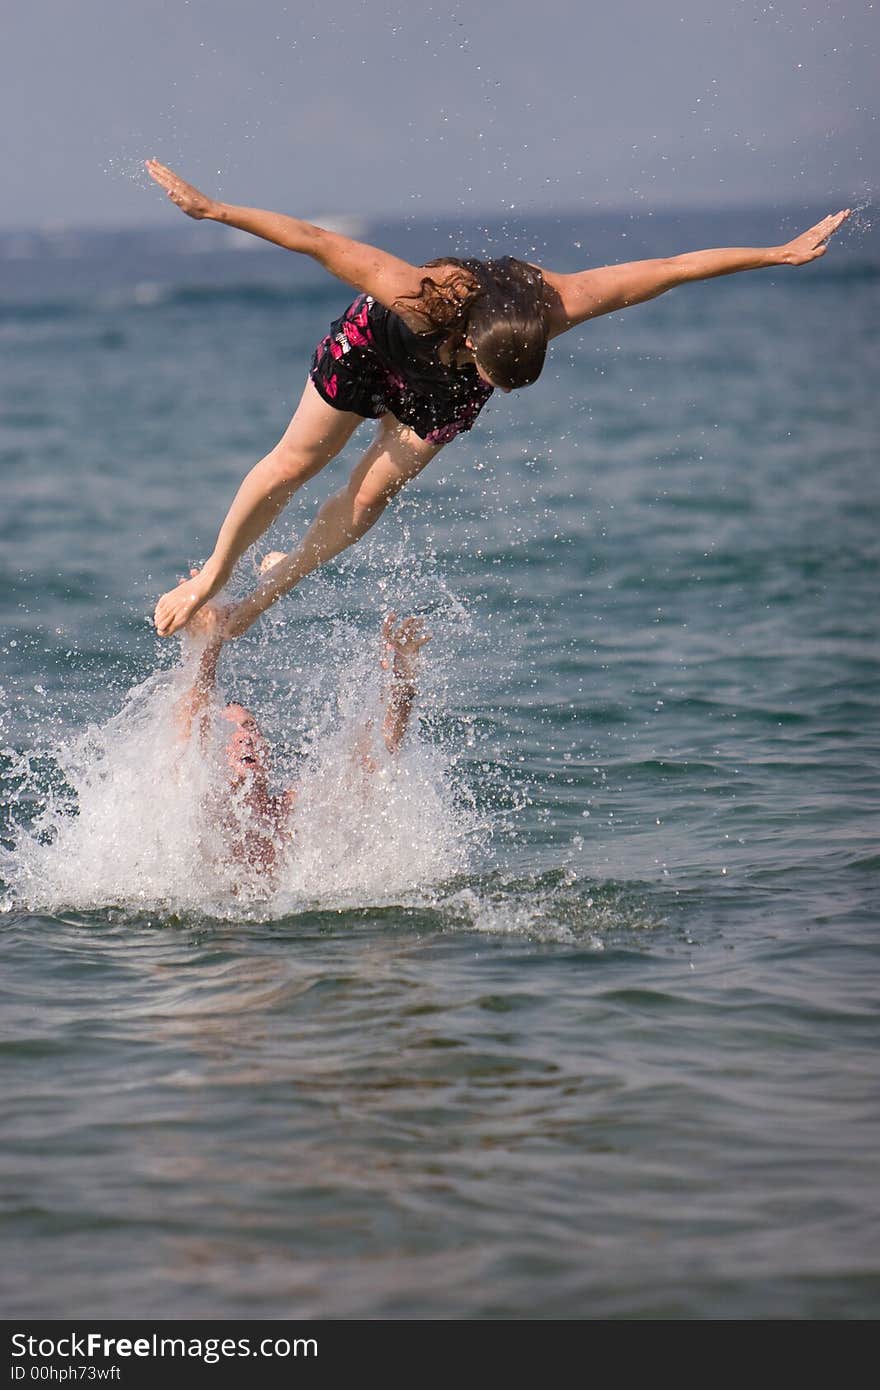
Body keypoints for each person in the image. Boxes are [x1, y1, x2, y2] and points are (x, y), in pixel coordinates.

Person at [146, 159, 851, 643]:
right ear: (470, 337)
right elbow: (315, 240)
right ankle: (214, 576)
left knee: (365, 501)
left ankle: (258, 601)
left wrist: (776, 254)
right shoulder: (418, 296)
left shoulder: (559, 306)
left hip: (438, 387)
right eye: (486, 373)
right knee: (295, 464)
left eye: (497, 387)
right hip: (377, 348)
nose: (487, 389)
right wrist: (212, 210)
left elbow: (665, 271)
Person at [176, 587, 430, 877]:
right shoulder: (203, 810)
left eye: (251, 727)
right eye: (232, 732)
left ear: (268, 752)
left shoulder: (297, 809)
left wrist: (401, 680)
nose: (245, 736)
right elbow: (194, 715)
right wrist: (210, 641)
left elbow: (379, 752)